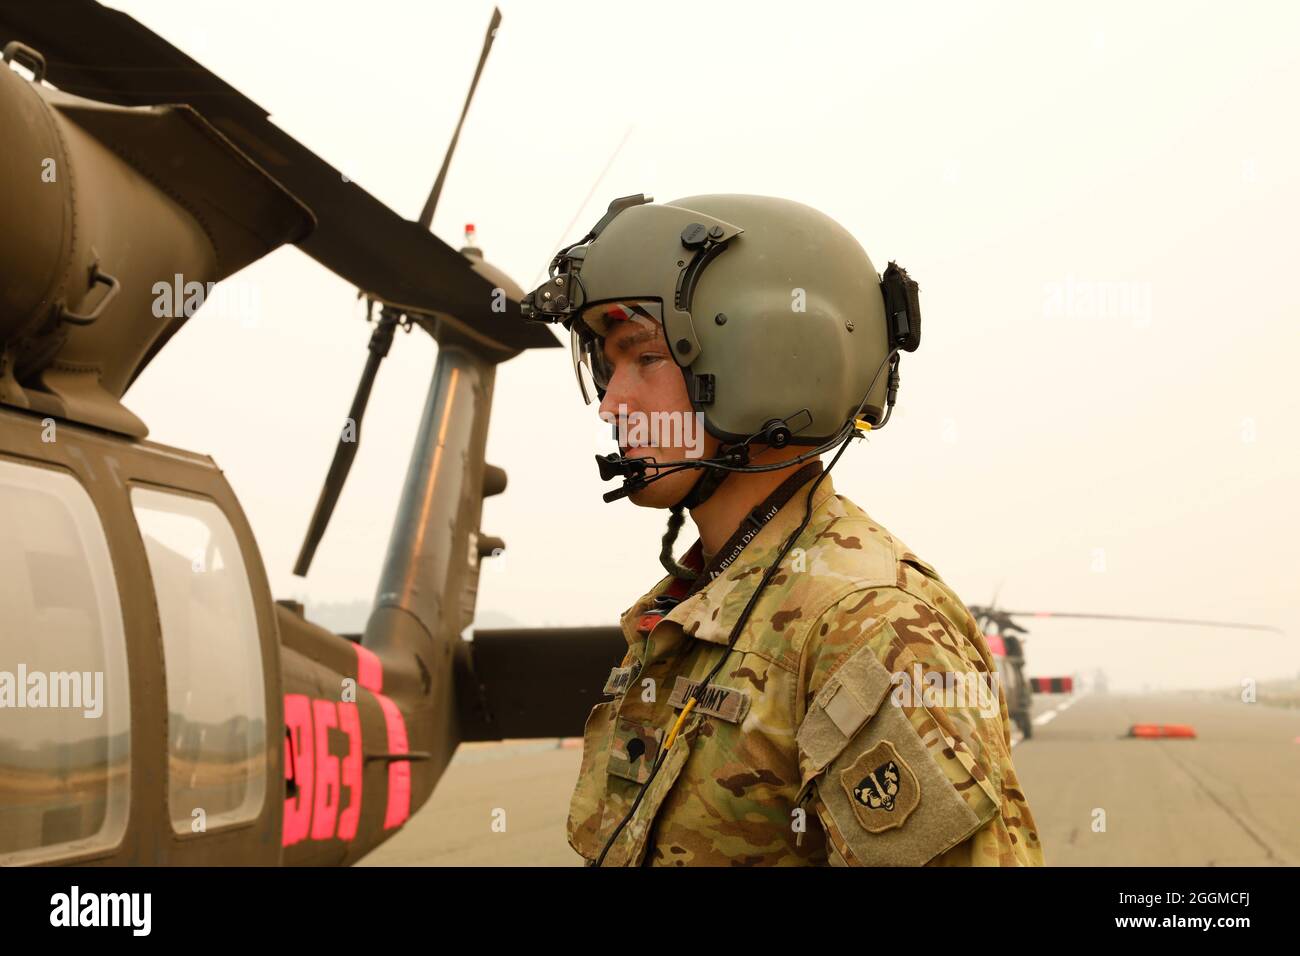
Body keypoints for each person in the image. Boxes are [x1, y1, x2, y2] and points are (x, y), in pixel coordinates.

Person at [521, 193, 1043, 866]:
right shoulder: (694, 607)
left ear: (766, 358)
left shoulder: (868, 625)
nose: (614, 406)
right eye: (607, 366)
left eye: (643, 358)